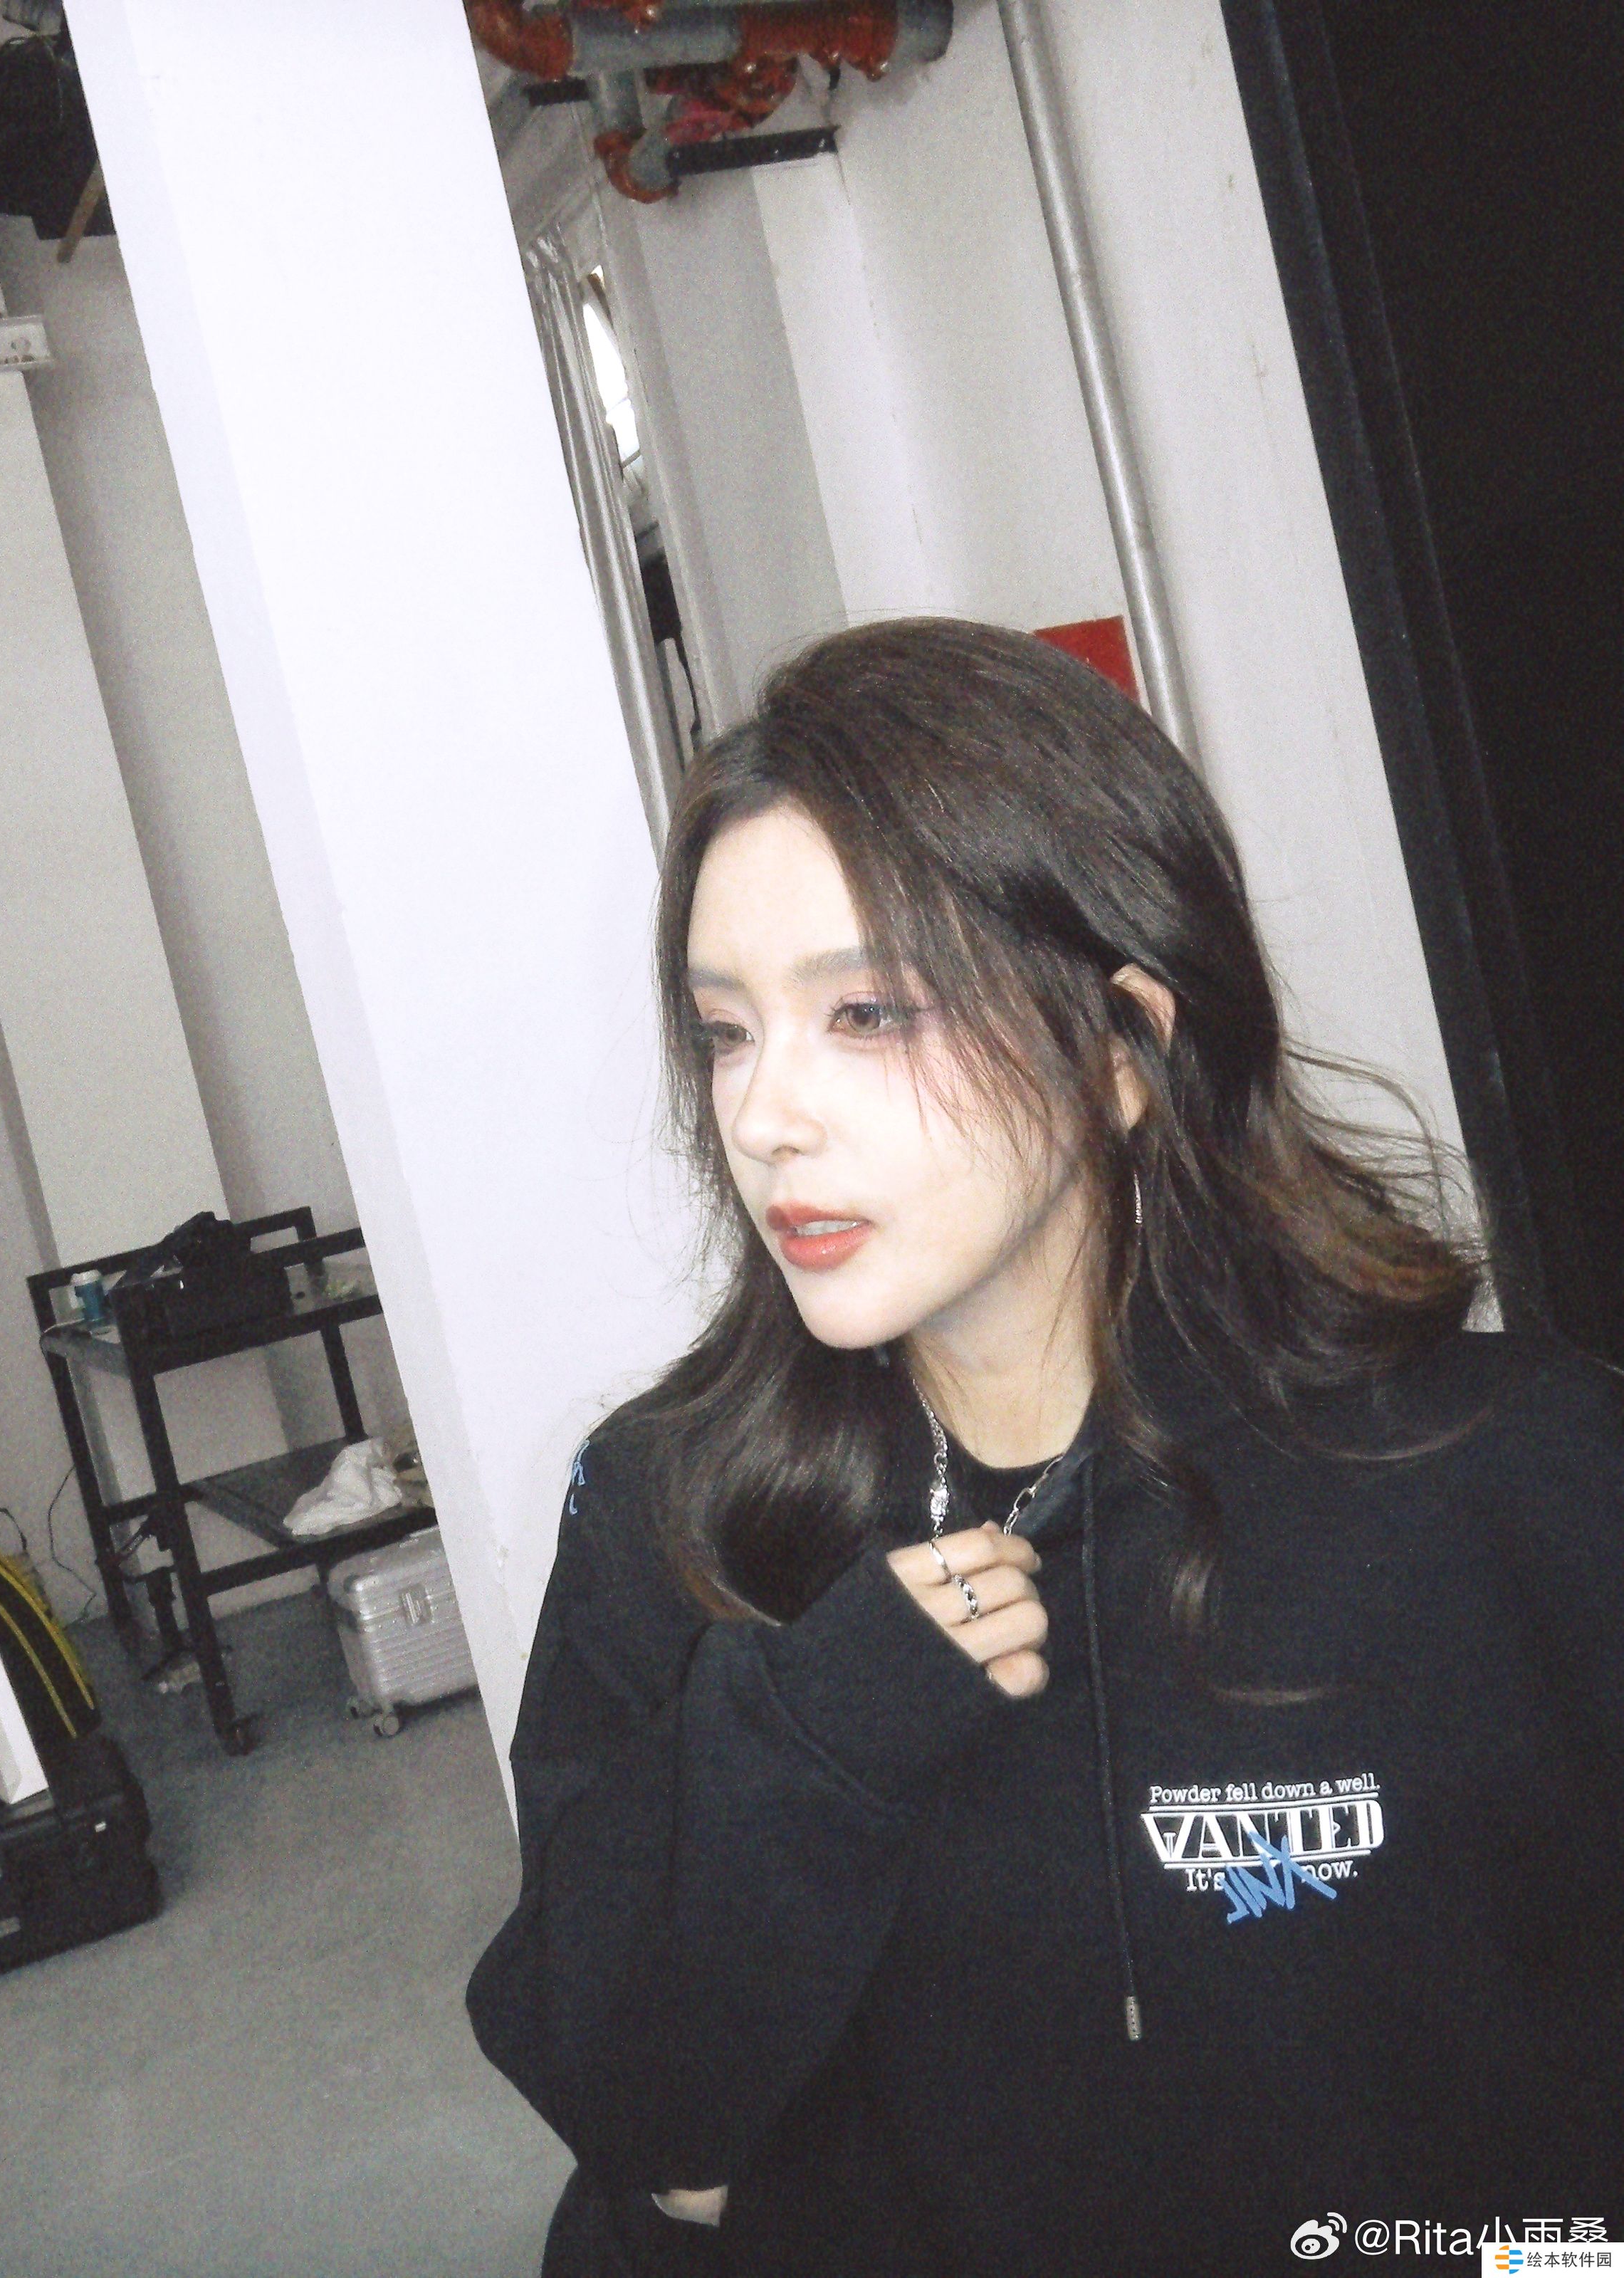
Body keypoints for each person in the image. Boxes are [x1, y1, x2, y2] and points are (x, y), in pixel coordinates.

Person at [466, 618, 1624, 2277]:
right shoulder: (681, 1506)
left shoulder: (1509, 1476)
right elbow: (622, 2103)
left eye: (868, 1012)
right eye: (727, 1031)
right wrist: (808, 1733)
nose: (766, 1113)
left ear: (1124, 1045)